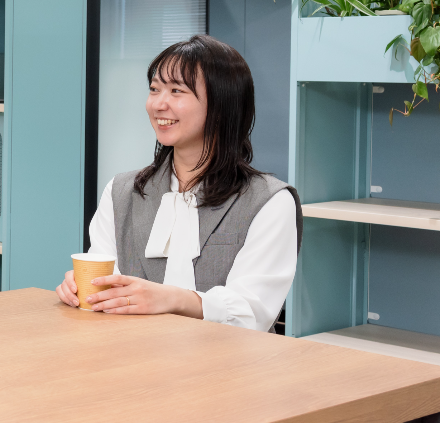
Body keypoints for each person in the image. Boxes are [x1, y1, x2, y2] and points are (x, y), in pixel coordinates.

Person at [56, 35, 301, 332]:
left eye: (176, 91)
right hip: (130, 354)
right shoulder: (121, 191)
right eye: (154, 89)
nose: (159, 104)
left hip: (229, 359)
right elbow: (105, 285)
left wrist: (172, 299)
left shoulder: (270, 201)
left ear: (223, 104)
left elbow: (253, 312)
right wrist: (82, 287)